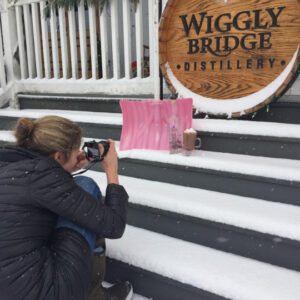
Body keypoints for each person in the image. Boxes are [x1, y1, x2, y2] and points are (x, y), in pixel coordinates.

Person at [0, 116, 133, 300]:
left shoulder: (10, 164)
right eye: (74, 152)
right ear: (57, 156)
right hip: (46, 291)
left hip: (8, 286)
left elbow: (42, 191)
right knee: (85, 185)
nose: (79, 153)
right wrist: (112, 170)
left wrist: (64, 169)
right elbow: (114, 225)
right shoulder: (42, 177)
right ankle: (95, 295)